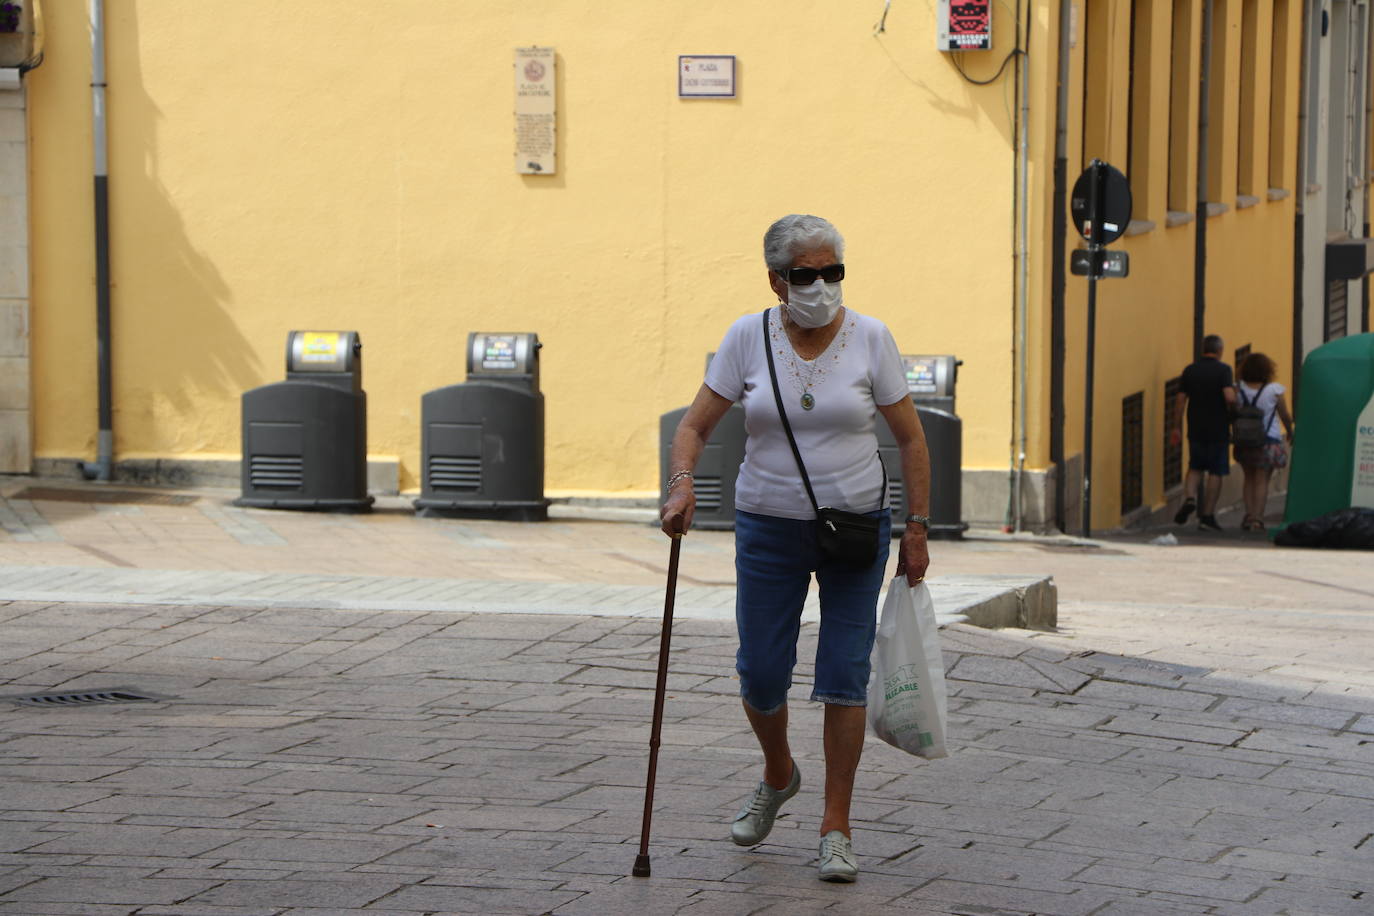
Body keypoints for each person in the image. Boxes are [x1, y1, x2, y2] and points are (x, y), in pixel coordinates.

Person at [659, 214, 931, 884]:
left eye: (832, 271)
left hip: (855, 528)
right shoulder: (746, 338)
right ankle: (779, 774)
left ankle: (836, 825)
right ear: (776, 280)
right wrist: (682, 485)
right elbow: (694, 426)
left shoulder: (872, 338)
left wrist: (917, 528)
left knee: (843, 674)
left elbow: (912, 439)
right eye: (806, 274)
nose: (821, 285)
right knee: (759, 673)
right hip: (768, 527)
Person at [1172, 334, 1237, 531]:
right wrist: (1234, 411)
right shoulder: (1224, 370)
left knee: (1195, 466)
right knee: (1216, 471)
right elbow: (1229, 397)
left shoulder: (1190, 370)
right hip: (1218, 428)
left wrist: (1176, 426)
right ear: (1220, 351)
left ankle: (1190, 497)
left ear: (1203, 349)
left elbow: (1181, 400)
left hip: (1196, 426)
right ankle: (1207, 515)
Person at [1233, 352, 1295, 531]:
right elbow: (1284, 414)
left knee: (1249, 478)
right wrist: (1290, 432)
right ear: (1267, 370)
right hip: (1268, 440)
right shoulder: (1274, 390)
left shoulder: (1238, 389)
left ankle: (1249, 515)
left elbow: (1233, 411)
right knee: (1262, 481)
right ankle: (1257, 519)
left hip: (1244, 441)